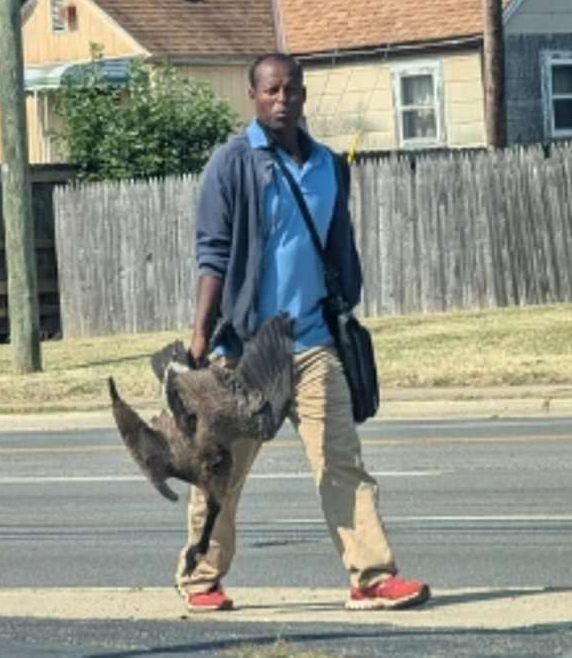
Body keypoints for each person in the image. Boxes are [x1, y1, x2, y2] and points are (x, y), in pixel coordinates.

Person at [176, 52, 430, 612]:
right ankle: (201, 579)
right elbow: (212, 254)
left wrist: (345, 309)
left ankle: (371, 577)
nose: (282, 99)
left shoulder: (328, 166)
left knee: (342, 461)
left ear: (304, 95)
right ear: (253, 96)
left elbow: (338, 246)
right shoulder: (232, 163)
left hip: (312, 343)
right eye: (271, 90)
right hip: (246, 351)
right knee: (222, 472)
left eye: (291, 89)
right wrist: (199, 336)